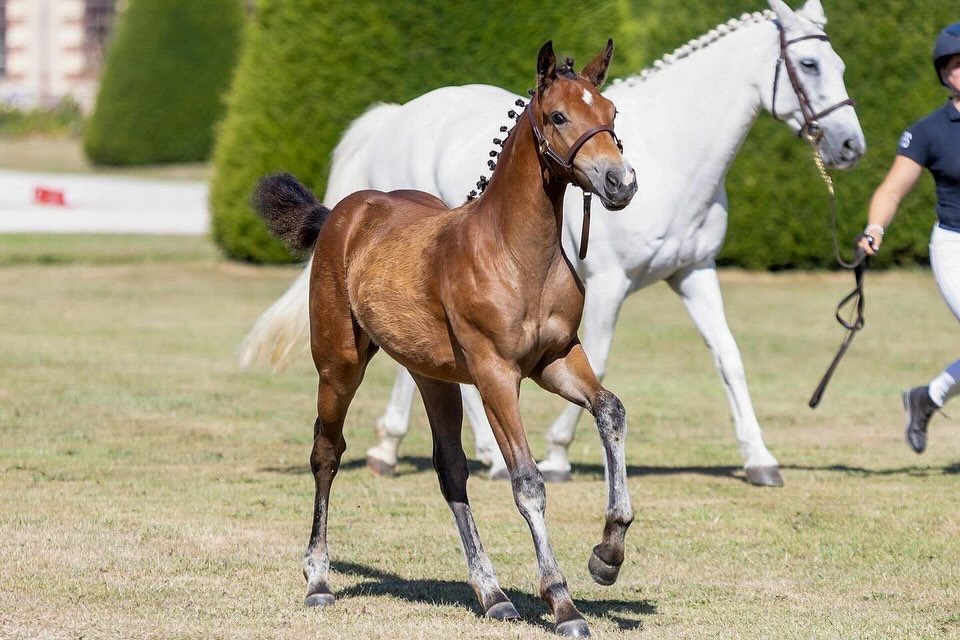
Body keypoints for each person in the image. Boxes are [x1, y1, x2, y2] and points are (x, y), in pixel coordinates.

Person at [858, 22, 960, 454]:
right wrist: (875, 227)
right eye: (954, 65)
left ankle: (928, 397)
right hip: (954, 245)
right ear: (943, 73)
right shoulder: (929, 130)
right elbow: (892, 189)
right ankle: (927, 398)